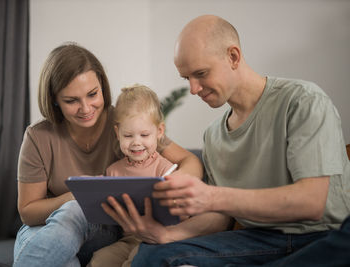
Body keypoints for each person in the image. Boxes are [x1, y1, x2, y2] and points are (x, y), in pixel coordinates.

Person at [103, 15, 350, 266]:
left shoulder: (302, 100)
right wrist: (167, 235)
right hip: (258, 239)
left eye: (200, 73)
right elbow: (219, 217)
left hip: (321, 235)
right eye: (186, 78)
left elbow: (311, 202)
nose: (193, 89)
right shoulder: (213, 136)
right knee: (151, 256)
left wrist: (212, 196)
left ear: (233, 56)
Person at [12, 43, 203, 267]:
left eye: (92, 94)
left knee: (73, 214)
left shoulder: (126, 124)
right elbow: (28, 212)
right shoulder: (38, 136)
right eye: (71, 101)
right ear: (54, 99)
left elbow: (189, 161)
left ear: (102, 86)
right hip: (45, 230)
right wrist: (75, 196)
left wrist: (172, 185)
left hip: (103, 233)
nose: (86, 108)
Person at [88, 84, 180, 267]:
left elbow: (180, 214)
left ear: (159, 132)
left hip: (157, 239)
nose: (136, 143)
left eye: (145, 135)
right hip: (128, 240)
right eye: (128, 135)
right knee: (99, 260)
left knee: (134, 262)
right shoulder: (113, 171)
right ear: (117, 133)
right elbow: (107, 218)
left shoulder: (166, 169)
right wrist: (98, 193)